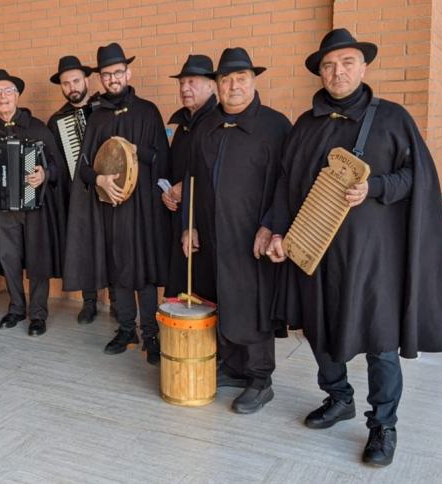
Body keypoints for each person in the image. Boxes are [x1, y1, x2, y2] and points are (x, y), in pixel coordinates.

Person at [266, 29, 442, 466]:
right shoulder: (305, 124)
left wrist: (375, 186)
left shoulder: (392, 118)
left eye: (347, 63)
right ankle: (339, 398)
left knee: (380, 341)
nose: (338, 72)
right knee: (316, 328)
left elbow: (418, 177)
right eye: (329, 65)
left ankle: (383, 426)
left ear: (364, 66)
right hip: (313, 251)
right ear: (320, 72)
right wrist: (278, 231)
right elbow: (285, 183)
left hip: (373, 259)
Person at [182, 48, 291, 414]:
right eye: (225, 79)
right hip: (212, 233)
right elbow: (191, 178)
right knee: (218, 294)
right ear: (216, 85)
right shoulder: (207, 126)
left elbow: (287, 183)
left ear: (254, 81)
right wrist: (189, 225)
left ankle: (260, 378)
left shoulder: (275, 126)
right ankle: (231, 365)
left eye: (240, 79)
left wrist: (273, 226)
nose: (233, 86)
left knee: (253, 302)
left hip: (253, 236)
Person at [63, 43, 170, 364]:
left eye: (118, 72)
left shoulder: (148, 111)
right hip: (110, 207)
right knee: (118, 268)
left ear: (128, 73)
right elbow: (82, 167)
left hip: (143, 209)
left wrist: (139, 152)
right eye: (107, 74)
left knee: (144, 273)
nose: (112, 79)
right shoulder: (97, 118)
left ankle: (150, 333)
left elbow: (164, 160)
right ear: (100, 78)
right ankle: (127, 330)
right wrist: (99, 180)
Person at [0, 69, 65, 336]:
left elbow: (57, 164)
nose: (2, 97)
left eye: (7, 92)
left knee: (37, 260)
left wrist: (45, 173)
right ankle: (16, 307)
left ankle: (38, 313)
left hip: (34, 206)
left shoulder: (37, 127)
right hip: (2, 207)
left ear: (17, 96)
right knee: (9, 259)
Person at [45, 55, 115, 324]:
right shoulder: (57, 120)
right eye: (66, 83)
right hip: (79, 195)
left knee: (110, 245)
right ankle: (89, 302)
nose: (72, 86)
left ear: (87, 80)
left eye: (76, 80)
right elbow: (59, 163)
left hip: (108, 189)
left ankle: (117, 301)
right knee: (85, 246)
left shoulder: (104, 109)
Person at [163, 54, 218, 299]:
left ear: (210, 84)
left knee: (204, 287)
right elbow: (168, 168)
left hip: (208, 219)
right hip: (178, 218)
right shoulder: (181, 124)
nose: (185, 88)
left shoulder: (218, 122)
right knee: (179, 284)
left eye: (192, 82)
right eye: (181, 83)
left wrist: (187, 187)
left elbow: (219, 170)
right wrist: (166, 193)